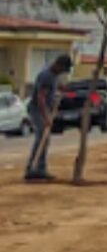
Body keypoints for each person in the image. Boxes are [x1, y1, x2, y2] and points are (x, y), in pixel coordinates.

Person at [24, 54, 73, 182]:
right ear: (58, 65)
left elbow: (55, 87)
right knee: (42, 138)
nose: (63, 73)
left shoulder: (53, 76)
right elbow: (41, 99)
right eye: (63, 70)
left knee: (44, 139)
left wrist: (63, 89)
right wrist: (46, 117)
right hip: (37, 110)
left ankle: (39, 168)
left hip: (43, 109)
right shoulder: (46, 76)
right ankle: (33, 169)